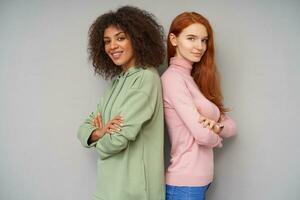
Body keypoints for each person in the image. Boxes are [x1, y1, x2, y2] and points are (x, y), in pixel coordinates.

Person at [77, 6, 165, 200]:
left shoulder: (145, 78)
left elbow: (117, 140)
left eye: (120, 38)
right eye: (107, 41)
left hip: (134, 191)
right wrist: (97, 133)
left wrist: (98, 142)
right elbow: (84, 128)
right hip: (108, 188)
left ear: (137, 39)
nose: (112, 46)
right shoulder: (117, 81)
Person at [161, 12, 237, 200]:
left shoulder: (195, 80)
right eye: (191, 38)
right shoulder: (172, 79)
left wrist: (217, 127)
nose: (200, 46)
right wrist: (217, 136)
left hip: (199, 181)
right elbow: (202, 135)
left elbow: (232, 127)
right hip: (185, 182)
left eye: (203, 40)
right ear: (174, 39)